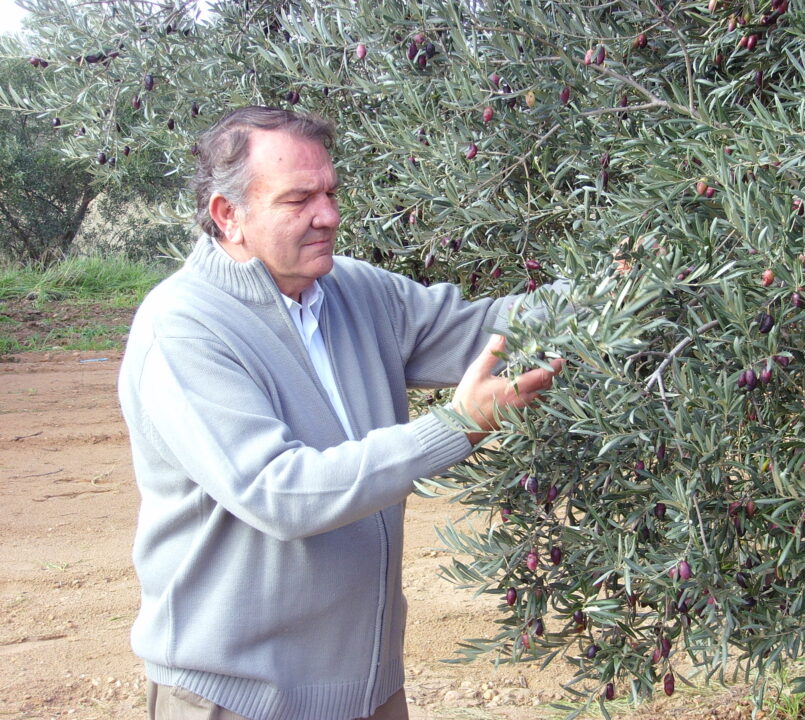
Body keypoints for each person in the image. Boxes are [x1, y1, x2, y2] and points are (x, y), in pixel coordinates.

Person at [117, 106, 565, 720]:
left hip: (368, 690)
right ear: (229, 216)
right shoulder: (183, 330)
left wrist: (621, 287)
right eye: (297, 199)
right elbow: (280, 492)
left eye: (329, 192)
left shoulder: (357, 292)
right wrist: (456, 425)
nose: (326, 215)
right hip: (235, 698)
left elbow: (488, 330)